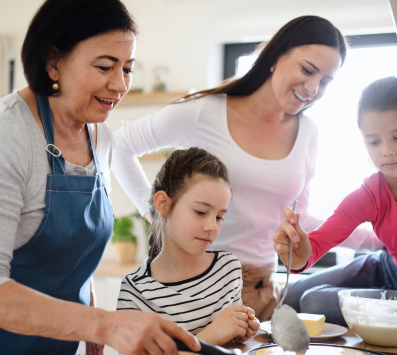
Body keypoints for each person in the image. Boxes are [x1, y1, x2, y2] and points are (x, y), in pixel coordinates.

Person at [0, 0, 199, 355]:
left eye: (127, 68)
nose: (120, 84)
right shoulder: (0, 134)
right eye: (105, 66)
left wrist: (85, 299)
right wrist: (102, 324)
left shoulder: (99, 139)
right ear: (53, 62)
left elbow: (68, 240)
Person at [113, 15, 346, 321]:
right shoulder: (205, 112)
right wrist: (155, 214)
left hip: (262, 292)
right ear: (277, 56)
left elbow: (296, 218)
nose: (314, 87)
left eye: (326, 81)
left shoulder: (309, 133)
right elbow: (118, 146)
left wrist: (370, 231)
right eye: (307, 70)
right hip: (193, 286)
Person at [274, 76, 397, 338]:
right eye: (373, 142)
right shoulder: (370, 193)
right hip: (385, 266)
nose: (386, 150)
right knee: (291, 294)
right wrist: (299, 252)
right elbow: (324, 237)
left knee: (312, 303)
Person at [117, 147, 259, 355]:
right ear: (163, 204)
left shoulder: (228, 269)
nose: (212, 227)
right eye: (201, 212)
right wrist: (208, 338)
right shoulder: (136, 290)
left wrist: (240, 331)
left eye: (219, 216)